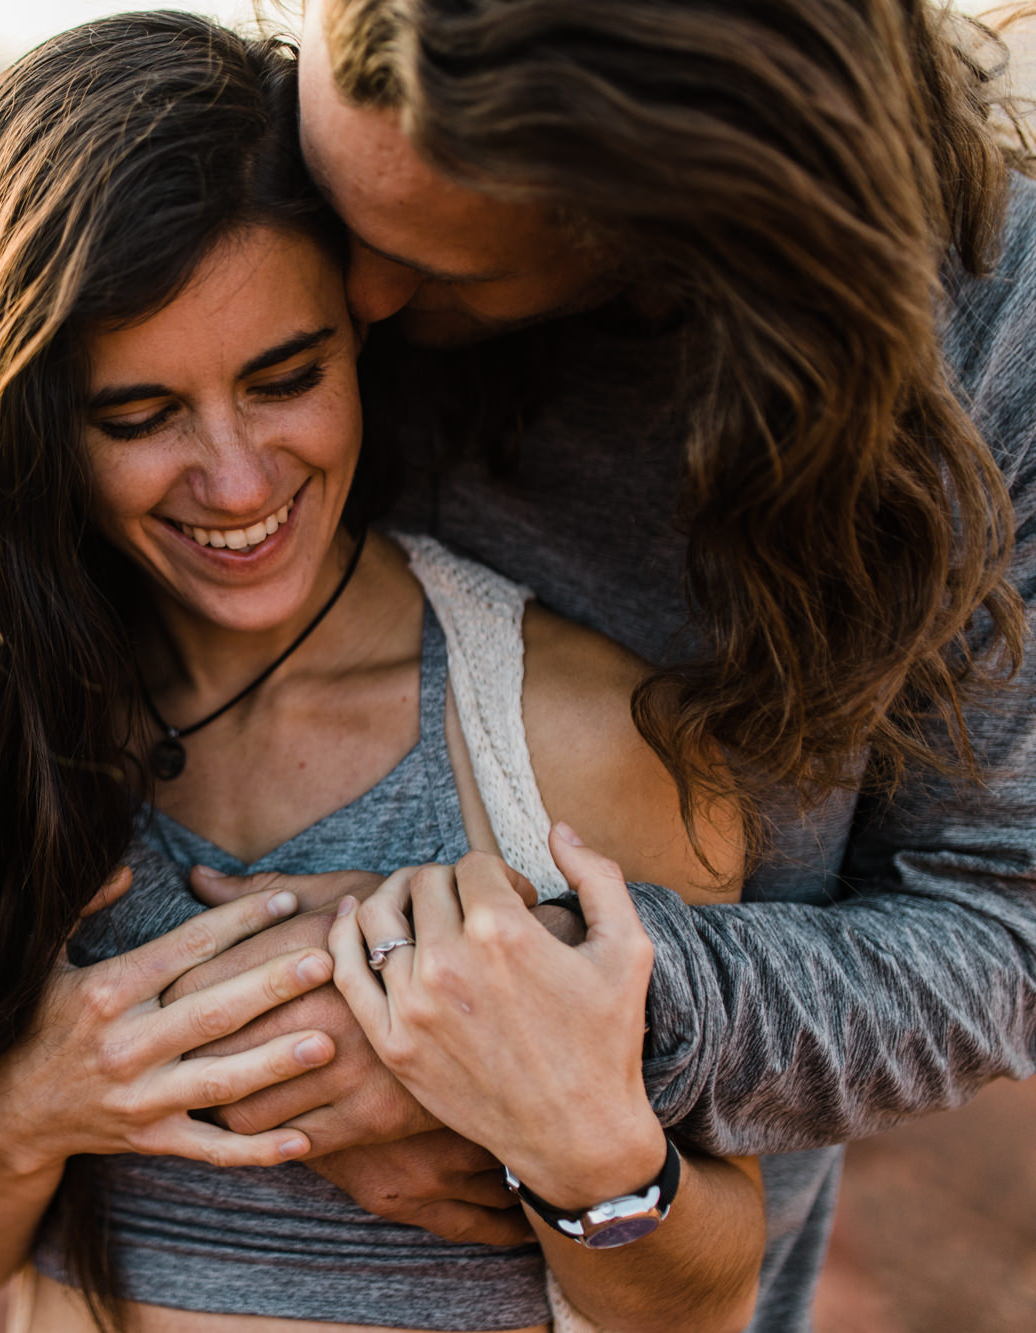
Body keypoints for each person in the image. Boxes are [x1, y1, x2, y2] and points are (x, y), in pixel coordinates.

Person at [0, 13, 770, 1332]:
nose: (235, 481)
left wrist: (564, 1146)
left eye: (287, 376)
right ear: (27, 432)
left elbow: (705, 1294)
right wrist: (17, 1111)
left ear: (363, 337)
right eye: (138, 414)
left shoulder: (570, 740)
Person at [150, 2, 1036, 1330]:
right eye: (340, 211)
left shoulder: (997, 341)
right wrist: (27, 1046)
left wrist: (526, 1019)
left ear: (674, 216)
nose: (363, 302)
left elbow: (997, 926)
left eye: (441, 274)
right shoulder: (289, 166)